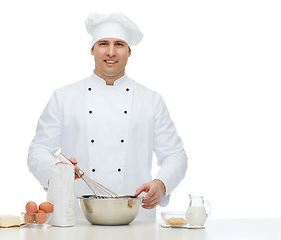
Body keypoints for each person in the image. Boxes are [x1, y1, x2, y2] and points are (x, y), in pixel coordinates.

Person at [27, 12, 187, 218]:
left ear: (129, 52)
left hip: (136, 218)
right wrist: (58, 172)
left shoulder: (151, 100)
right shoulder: (64, 97)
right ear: (92, 49)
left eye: (119, 44)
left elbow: (175, 154)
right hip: (77, 217)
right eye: (103, 43)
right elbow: (38, 149)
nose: (111, 52)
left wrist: (161, 184)